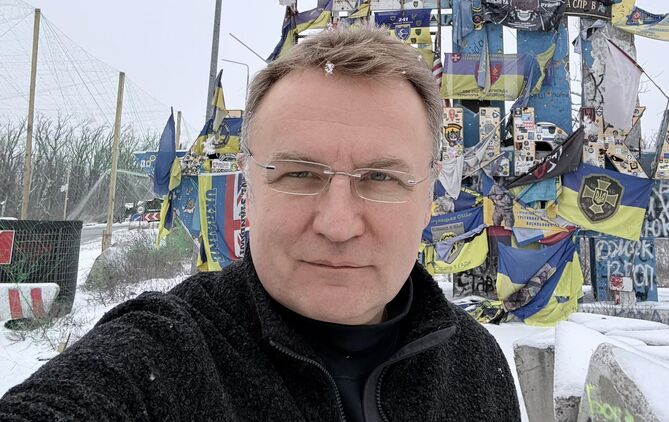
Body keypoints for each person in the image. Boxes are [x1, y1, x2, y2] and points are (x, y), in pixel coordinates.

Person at [0, 25, 520, 421]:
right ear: (248, 187)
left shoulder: (476, 364)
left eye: (381, 177)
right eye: (300, 174)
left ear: (428, 198)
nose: (338, 224)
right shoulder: (160, 354)